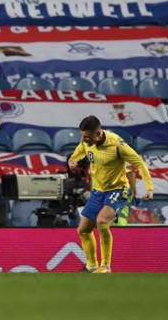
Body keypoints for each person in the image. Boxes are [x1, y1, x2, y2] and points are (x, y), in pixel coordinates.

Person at [68, 115, 154, 273]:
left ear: (98, 134)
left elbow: (139, 163)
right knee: (83, 230)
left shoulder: (117, 145)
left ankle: (105, 266)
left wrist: (149, 188)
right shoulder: (86, 141)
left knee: (101, 221)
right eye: (83, 137)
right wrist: (72, 162)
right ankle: (91, 266)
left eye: (87, 137)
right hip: (97, 191)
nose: (84, 140)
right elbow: (78, 153)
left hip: (117, 189)